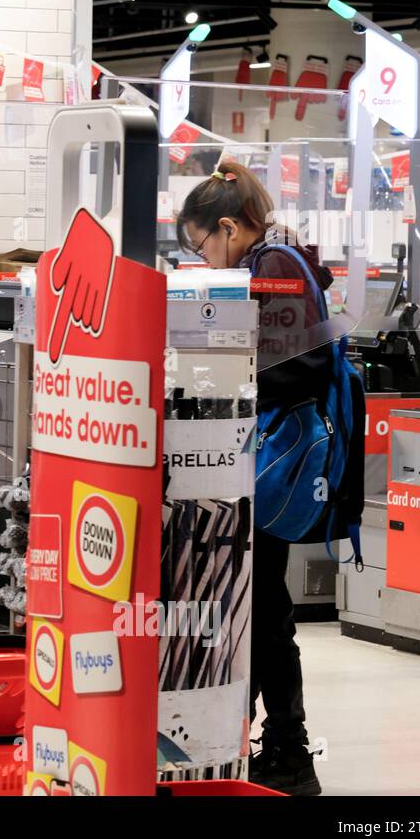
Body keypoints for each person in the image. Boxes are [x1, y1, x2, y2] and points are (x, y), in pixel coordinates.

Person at [176, 161, 355, 797]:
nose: (204, 258)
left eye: (202, 246)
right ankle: (255, 738)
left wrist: (220, 378)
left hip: (276, 457)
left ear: (228, 227)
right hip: (273, 453)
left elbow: (297, 367)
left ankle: (288, 751)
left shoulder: (274, 268)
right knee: (259, 604)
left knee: (267, 608)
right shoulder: (276, 259)